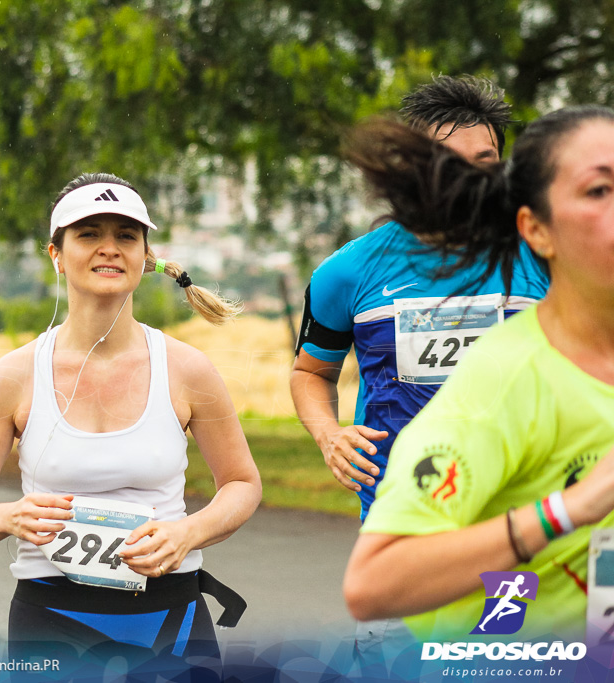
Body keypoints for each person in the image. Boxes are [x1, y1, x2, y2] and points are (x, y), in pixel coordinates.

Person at [0, 173, 262, 677]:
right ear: (56, 253)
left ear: (145, 255)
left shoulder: (188, 369)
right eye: (89, 233)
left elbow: (243, 484)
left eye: (126, 235)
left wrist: (188, 533)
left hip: (168, 617)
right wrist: (11, 517)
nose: (109, 248)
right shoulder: (12, 376)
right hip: (51, 618)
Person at [290, 75, 549, 661]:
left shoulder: (544, 252)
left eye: (483, 162)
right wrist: (329, 434)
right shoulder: (348, 272)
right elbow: (310, 373)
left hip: (519, 531)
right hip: (404, 533)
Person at [341, 105, 614, 643]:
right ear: (536, 230)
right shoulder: (506, 380)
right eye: (599, 191)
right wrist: (570, 509)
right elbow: (374, 583)